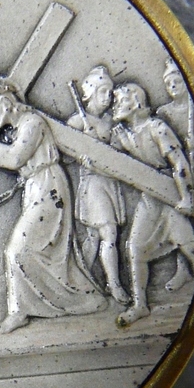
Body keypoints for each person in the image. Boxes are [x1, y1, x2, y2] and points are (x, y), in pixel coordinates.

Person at [0, 77, 105, 334]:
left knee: (17, 251)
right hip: (36, 186)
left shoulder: (32, 122)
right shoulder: (21, 126)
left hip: (49, 187)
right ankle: (44, 304)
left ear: (4, 102)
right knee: (41, 251)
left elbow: (15, 158)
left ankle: (23, 311)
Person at [109, 82, 194, 327]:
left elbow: (179, 163)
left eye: (120, 100)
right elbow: (118, 164)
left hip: (169, 194)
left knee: (191, 250)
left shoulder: (157, 128)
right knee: (135, 248)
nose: (115, 105)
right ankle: (140, 305)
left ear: (136, 103)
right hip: (150, 198)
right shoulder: (126, 134)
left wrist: (185, 197)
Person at [66, 65, 129, 304]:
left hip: (110, 183)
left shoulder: (110, 122)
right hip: (92, 185)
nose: (108, 97)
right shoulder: (77, 122)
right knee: (108, 233)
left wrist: (115, 143)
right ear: (90, 94)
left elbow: (121, 154)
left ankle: (79, 281)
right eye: (103, 91)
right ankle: (114, 284)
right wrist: (81, 148)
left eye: (110, 92)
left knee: (94, 237)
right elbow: (64, 154)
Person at [154, 60, 194, 196]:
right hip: (179, 163)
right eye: (168, 84)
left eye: (177, 81)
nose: (173, 86)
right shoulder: (163, 112)